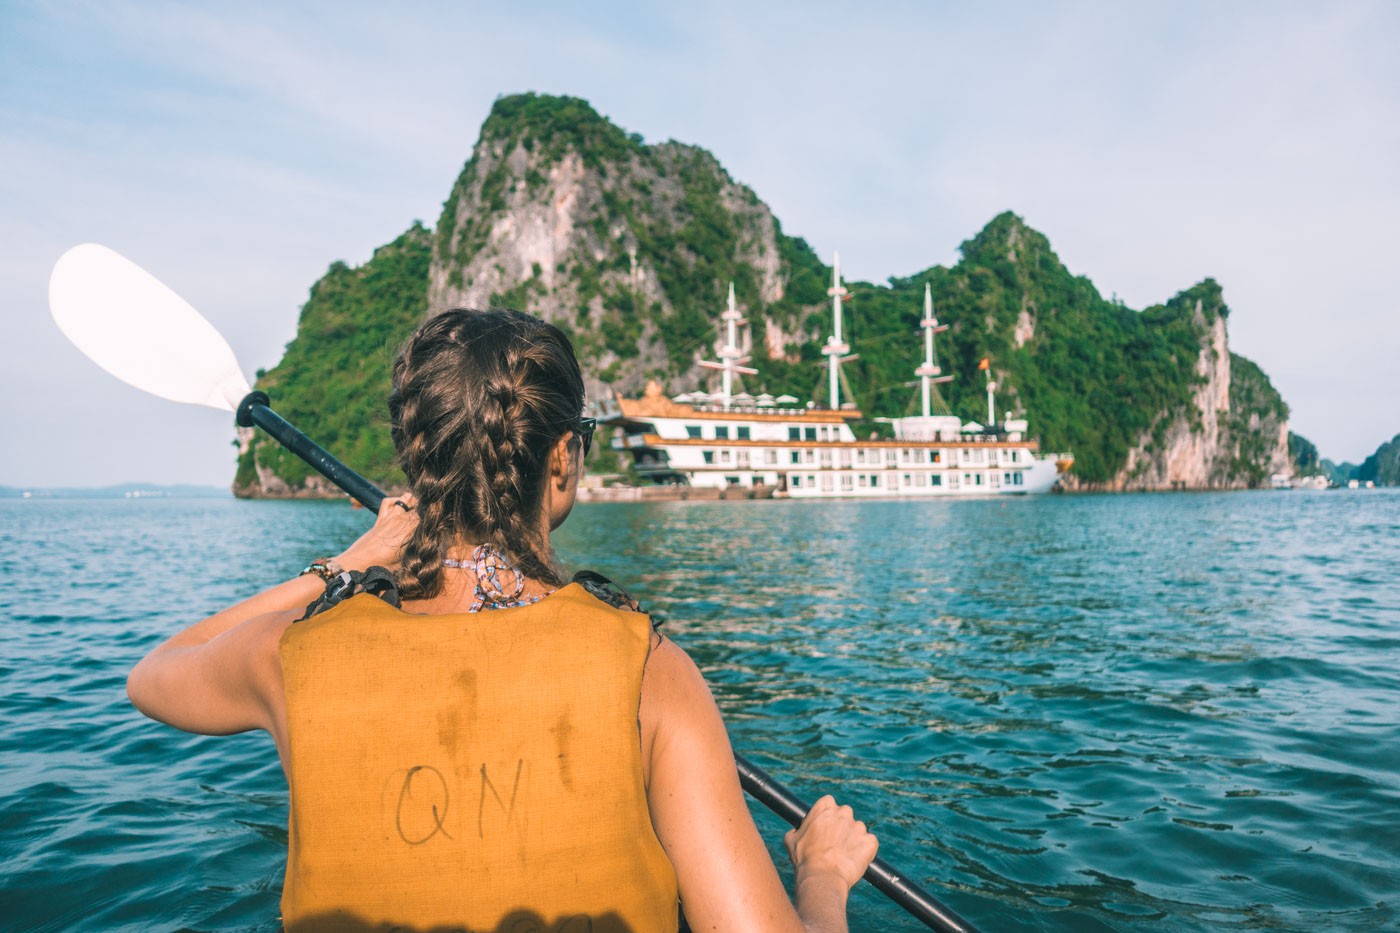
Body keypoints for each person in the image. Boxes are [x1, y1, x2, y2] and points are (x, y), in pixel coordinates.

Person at [127, 308, 878, 932]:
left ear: (419, 460)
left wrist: (346, 564)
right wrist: (821, 873)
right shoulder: (650, 671)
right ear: (561, 460)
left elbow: (154, 675)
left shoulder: (290, 658)